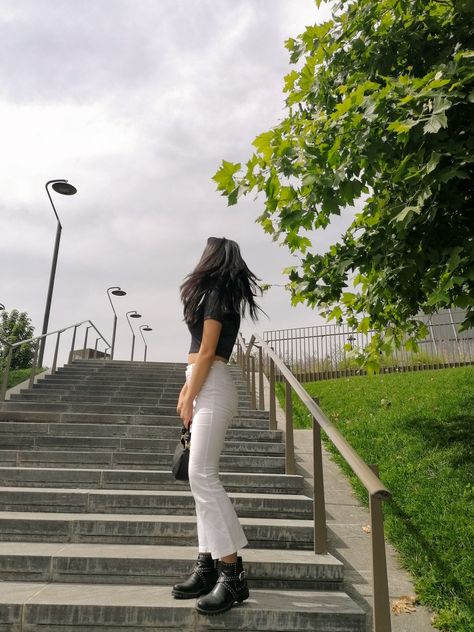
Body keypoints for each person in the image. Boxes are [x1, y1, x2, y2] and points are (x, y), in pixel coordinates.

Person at [171, 236, 263, 616]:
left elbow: (208, 351)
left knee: (202, 475)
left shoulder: (217, 295)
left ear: (212, 258)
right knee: (198, 479)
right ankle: (207, 565)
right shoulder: (217, 294)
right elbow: (199, 353)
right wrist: (188, 387)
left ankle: (232, 573)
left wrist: (192, 393)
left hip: (212, 386)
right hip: (203, 382)